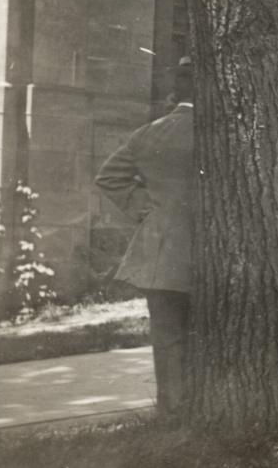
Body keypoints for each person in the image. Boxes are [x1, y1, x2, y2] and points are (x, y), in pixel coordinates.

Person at [95, 57, 197, 414]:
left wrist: (148, 212)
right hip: (211, 251)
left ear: (177, 91)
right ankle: (204, 410)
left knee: (168, 338)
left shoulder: (148, 133)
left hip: (161, 254)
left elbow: (109, 177)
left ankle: (172, 412)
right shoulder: (224, 137)